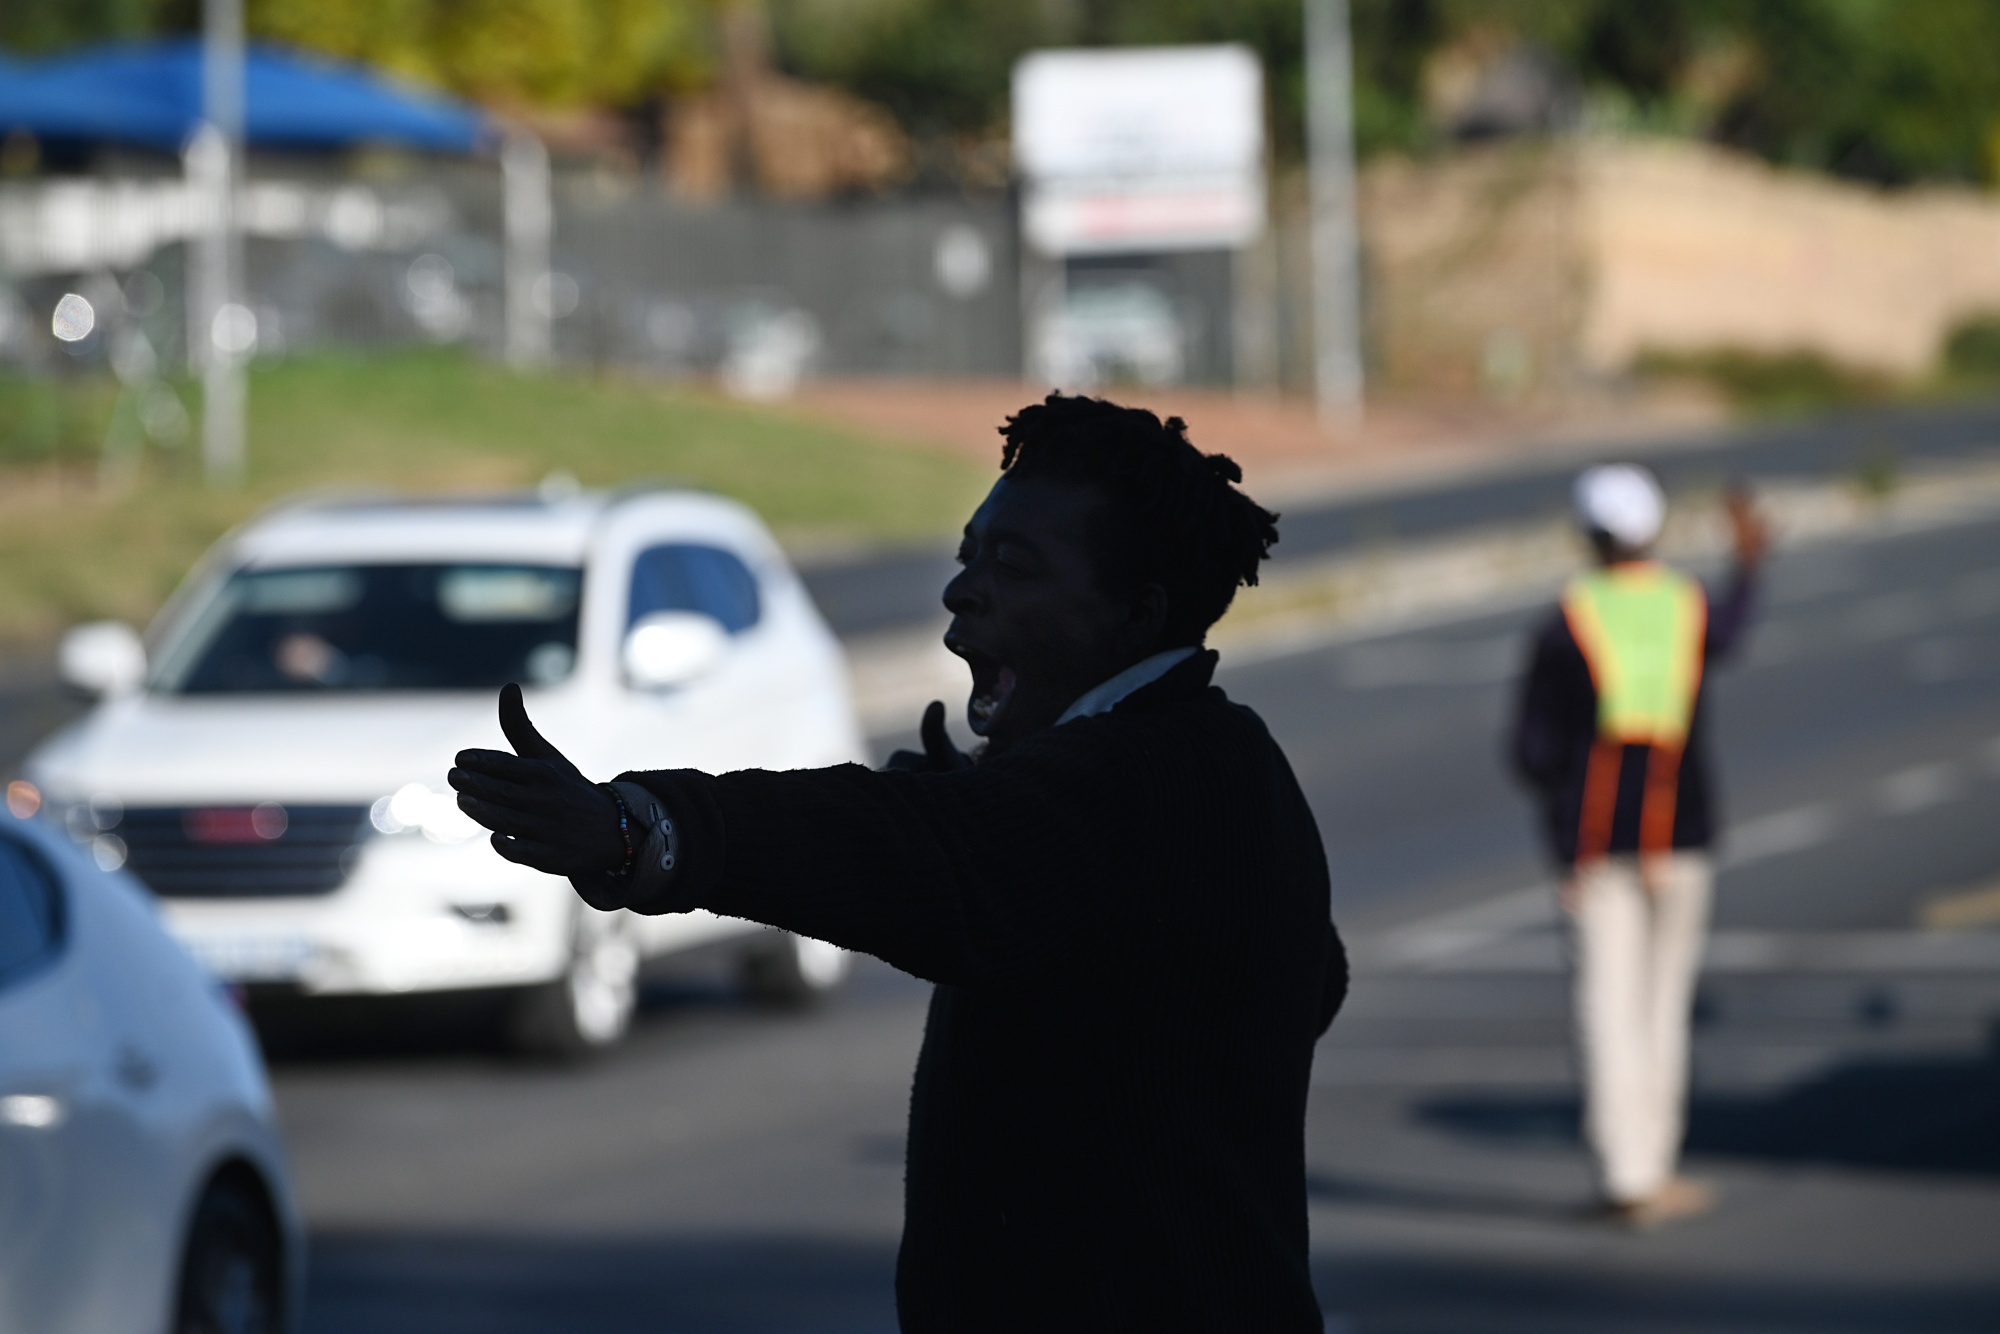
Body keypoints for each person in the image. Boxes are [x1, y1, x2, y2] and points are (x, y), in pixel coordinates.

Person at [450, 394, 1347, 1331]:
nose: (963, 591)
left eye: (1013, 565)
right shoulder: (1221, 761)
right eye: (969, 555)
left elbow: (893, 842)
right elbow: (1300, 976)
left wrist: (641, 831)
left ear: (1135, 613)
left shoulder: (1134, 786)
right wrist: (1001, 819)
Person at [1510, 464, 1767, 1227]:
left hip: (1594, 846)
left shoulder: (1568, 622)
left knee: (1607, 1007)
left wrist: (1563, 828)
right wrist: (1750, 564)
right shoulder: (1683, 604)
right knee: (1661, 1005)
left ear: (1586, 537)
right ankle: (1654, 1165)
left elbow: (1532, 751)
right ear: (1652, 532)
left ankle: (1625, 1171)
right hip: (1680, 834)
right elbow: (1730, 632)